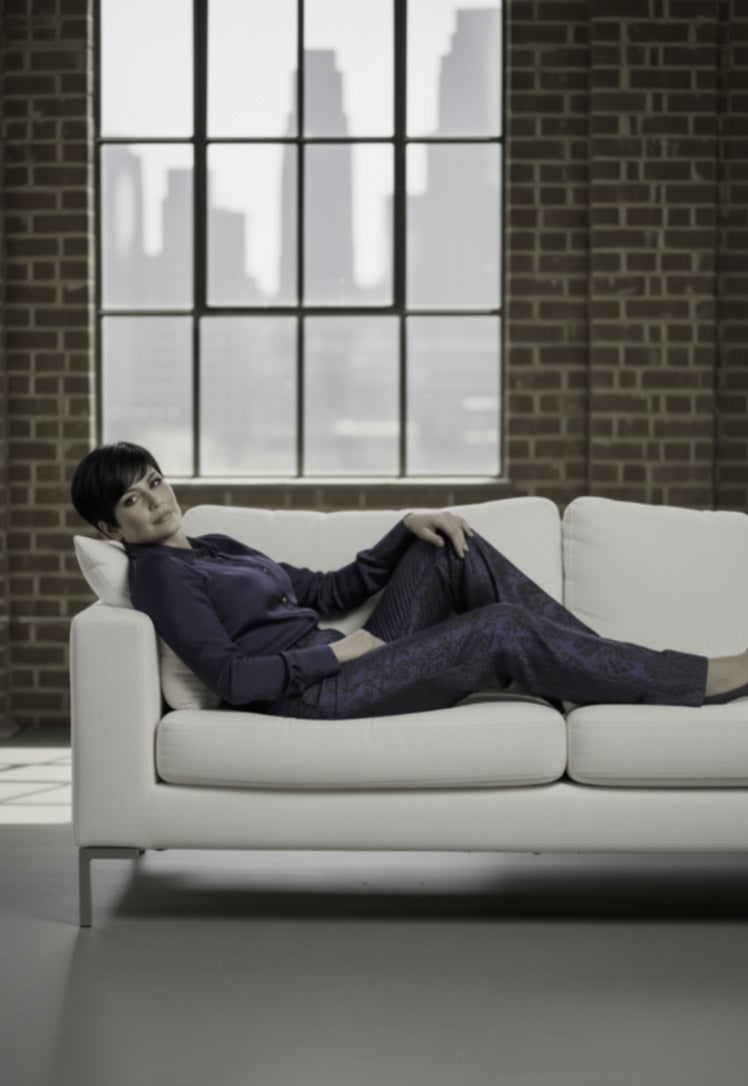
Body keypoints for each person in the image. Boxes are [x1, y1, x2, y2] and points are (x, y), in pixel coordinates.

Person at [71, 441, 748, 719]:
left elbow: (330, 589)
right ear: (111, 529)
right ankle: (679, 679)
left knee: (450, 547)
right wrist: (335, 652)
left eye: (154, 482)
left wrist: (406, 526)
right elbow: (229, 678)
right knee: (501, 629)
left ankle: (597, 674)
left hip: (346, 662)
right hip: (318, 693)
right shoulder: (160, 575)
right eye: (132, 500)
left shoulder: (214, 543)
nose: (155, 501)